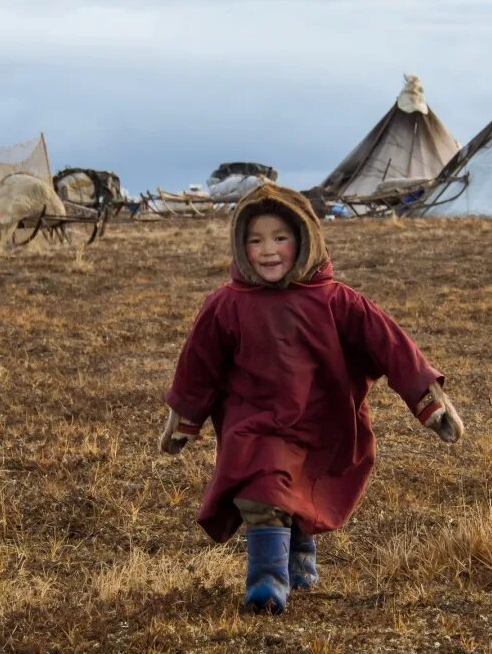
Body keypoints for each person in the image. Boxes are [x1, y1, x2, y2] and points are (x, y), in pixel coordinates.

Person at [158, 182, 464, 614]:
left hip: (320, 419)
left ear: (303, 240)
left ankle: (298, 562)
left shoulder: (337, 300)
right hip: (255, 424)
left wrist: (428, 401)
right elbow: (198, 364)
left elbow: (391, 346)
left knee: (297, 492)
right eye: (255, 239)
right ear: (240, 245)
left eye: (280, 238)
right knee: (262, 491)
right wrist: (184, 418)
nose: (268, 250)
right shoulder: (226, 304)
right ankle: (266, 584)